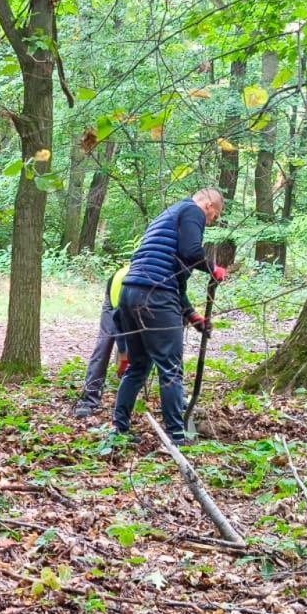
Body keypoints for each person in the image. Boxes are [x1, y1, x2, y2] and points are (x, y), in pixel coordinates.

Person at [111, 187, 227, 443]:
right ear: (208, 205)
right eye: (214, 216)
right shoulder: (192, 211)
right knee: (171, 369)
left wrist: (192, 316)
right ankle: (177, 435)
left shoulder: (168, 216)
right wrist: (212, 268)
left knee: (138, 366)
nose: (210, 221)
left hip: (130, 293)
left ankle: (119, 430)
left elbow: (176, 279)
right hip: (155, 296)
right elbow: (191, 252)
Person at [72, 262, 131, 418]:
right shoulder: (125, 282)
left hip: (136, 299)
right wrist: (124, 356)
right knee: (104, 344)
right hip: (115, 297)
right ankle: (89, 398)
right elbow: (119, 325)